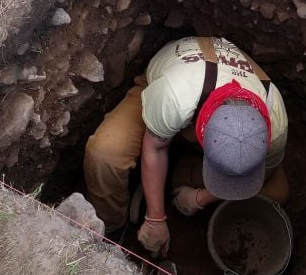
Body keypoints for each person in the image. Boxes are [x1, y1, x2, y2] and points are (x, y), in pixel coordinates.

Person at [83, 36, 289, 256]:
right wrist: (155, 219)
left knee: (277, 192)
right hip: (165, 92)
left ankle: (182, 175)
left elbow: (261, 176)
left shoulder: (276, 122)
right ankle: (111, 227)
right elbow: (155, 148)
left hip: (193, 105)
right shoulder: (175, 95)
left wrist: (200, 198)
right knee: (106, 153)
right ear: (201, 132)